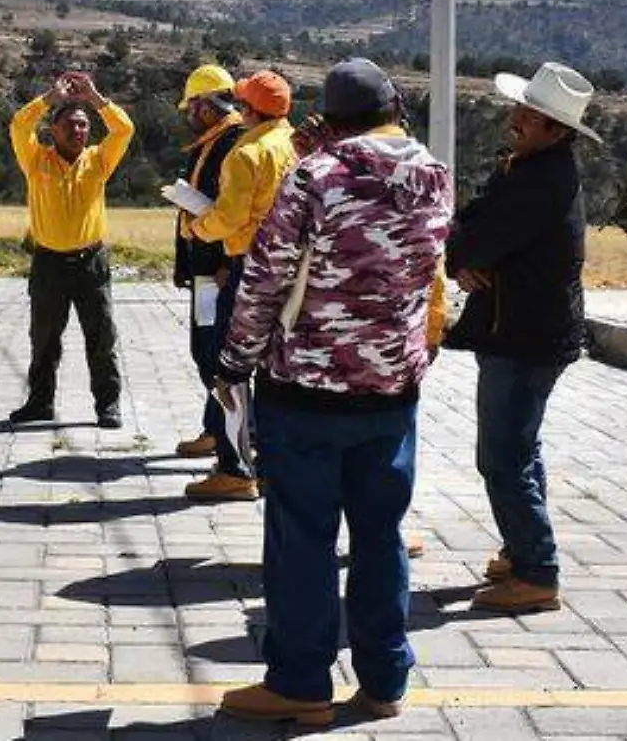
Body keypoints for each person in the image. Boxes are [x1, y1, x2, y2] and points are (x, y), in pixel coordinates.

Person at [211, 59, 451, 727]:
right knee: (380, 536)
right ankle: (384, 680)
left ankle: (300, 682)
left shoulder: (314, 176)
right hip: (393, 387)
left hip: (309, 390)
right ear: (396, 105)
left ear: (330, 117)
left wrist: (233, 364)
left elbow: (265, 280)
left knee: (303, 540)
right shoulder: (435, 175)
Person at [448, 61, 597, 616]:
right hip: (529, 332)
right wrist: (464, 255)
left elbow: (477, 234)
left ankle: (537, 569)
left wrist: (463, 256)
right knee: (520, 448)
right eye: (521, 110)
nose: (516, 119)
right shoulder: (532, 169)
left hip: (524, 336)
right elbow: (473, 223)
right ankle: (522, 549)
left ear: (557, 130)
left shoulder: (539, 180)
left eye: (531, 116)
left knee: (502, 457)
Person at [181, 70, 297, 503]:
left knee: (229, 371)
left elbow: (229, 217)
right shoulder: (293, 144)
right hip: (287, 269)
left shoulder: (247, 153)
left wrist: (199, 228)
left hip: (248, 266)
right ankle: (269, 462)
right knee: (272, 370)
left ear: (248, 109)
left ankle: (234, 469)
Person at [7, 71, 136, 428]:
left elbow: (124, 130)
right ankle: (39, 403)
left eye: (84, 126)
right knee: (44, 339)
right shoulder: (36, 160)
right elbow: (19, 125)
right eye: (71, 125)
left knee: (101, 338)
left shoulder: (98, 160)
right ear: (53, 130)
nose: (79, 131)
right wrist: (49, 98)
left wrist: (96, 100)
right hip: (48, 262)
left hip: (91, 262)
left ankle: (108, 406)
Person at [172, 64, 244, 461]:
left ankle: (232, 440)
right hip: (206, 267)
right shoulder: (215, 140)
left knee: (212, 355)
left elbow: (230, 209)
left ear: (204, 105)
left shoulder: (232, 141)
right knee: (208, 349)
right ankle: (214, 428)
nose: (188, 116)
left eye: (191, 107)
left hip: (218, 268)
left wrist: (226, 264)